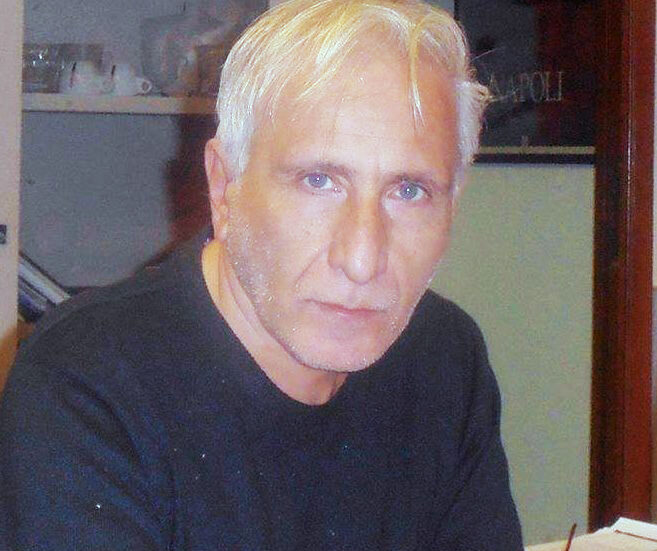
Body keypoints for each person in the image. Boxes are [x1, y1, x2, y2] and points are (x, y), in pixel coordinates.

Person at [0, 0, 523, 549]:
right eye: (318, 181)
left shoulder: (446, 358)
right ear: (224, 187)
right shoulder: (86, 386)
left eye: (409, 191)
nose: (362, 259)